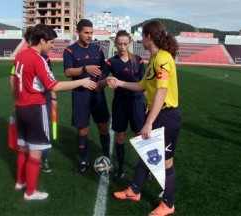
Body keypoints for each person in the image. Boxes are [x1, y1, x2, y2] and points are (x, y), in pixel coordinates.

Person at [11, 23, 97, 201]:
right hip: (35, 108)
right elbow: (54, 86)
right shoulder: (38, 59)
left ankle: (20, 182)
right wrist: (81, 82)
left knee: (24, 149)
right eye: (51, 42)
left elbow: (13, 80)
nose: (52, 46)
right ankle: (30, 192)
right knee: (35, 152)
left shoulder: (20, 56)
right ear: (41, 41)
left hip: (21, 108)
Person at [107, 21, 182, 215]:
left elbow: (162, 92)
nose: (141, 39)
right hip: (157, 114)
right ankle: (134, 190)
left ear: (149, 37)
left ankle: (168, 203)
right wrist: (119, 82)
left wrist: (148, 122)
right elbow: (141, 86)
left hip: (166, 116)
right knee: (146, 153)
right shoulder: (154, 59)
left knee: (166, 162)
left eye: (142, 35)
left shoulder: (163, 58)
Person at [63, 19, 110, 174]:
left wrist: (101, 83)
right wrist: (84, 69)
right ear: (78, 32)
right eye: (86, 33)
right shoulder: (69, 51)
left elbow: (104, 69)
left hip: (97, 93)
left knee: (103, 126)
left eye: (91, 32)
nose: (90, 35)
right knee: (83, 129)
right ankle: (84, 161)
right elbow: (68, 72)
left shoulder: (98, 49)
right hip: (80, 95)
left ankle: (106, 158)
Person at [100, 30, 146, 180]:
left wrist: (149, 103)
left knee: (140, 136)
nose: (122, 47)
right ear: (115, 44)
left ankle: (145, 169)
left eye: (125, 44)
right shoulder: (110, 62)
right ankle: (121, 168)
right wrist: (108, 80)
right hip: (119, 103)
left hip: (137, 103)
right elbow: (100, 83)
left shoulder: (138, 60)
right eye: (119, 44)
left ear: (130, 44)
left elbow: (144, 85)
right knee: (120, 135)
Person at [10, 27, 55, 173]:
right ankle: (31, 188)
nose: (28, 44)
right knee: (36, 143)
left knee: (30, 141)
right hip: (34, 103)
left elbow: (49, 79)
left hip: (30, 101)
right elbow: (13, 79)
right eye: (51, 42)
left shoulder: (24, 56)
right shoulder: (35, 58)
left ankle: (23, 179)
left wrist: (53, 96)